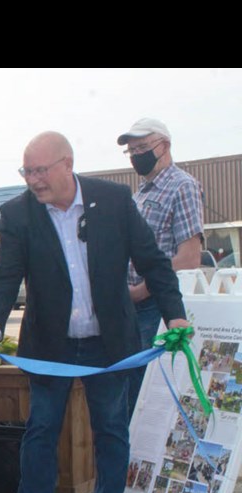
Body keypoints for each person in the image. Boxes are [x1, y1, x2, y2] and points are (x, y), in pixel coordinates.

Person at [0, 132, 189, 493]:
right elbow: (5, 276)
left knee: (110, 429)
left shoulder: (114, 199)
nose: (33, 180)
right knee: (41, 431)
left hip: (109, 343)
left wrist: (174, 313)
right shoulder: (17, 213)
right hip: (50, 346)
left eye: (40, 170)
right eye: (26, 171)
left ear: (67, 164)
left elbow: (154, 262)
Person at [117, 118, 204, 419]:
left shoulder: (182, 186)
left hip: (154, 306)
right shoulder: (139, 194)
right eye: (131, 151)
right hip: (129, 307)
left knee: (140, 391)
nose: (136, 155)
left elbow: (189, 257)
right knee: (126, 389)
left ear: (164, 146)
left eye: (142, 148)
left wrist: (141, 291)